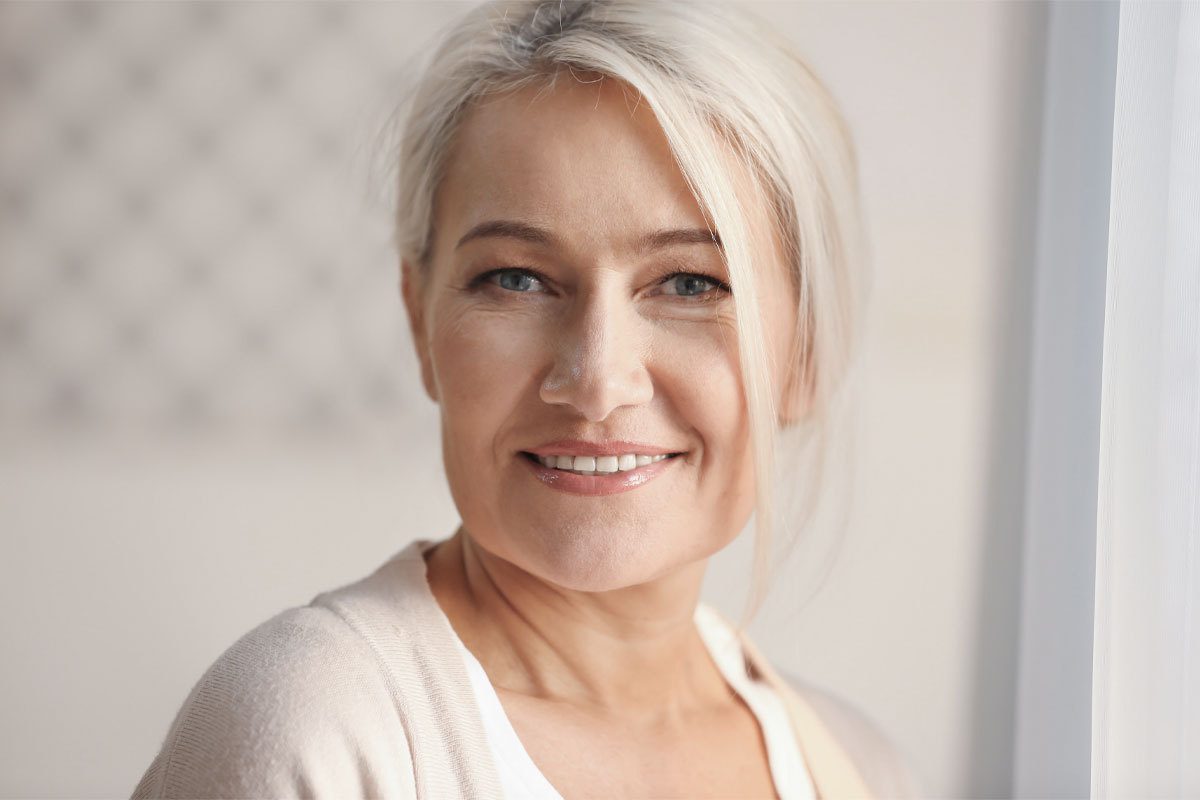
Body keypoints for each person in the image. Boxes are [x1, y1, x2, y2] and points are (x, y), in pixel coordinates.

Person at [133, 1, 920, 797]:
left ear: (807, 350)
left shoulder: (862, 769)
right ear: (419, 320)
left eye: (691, 283)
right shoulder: (318, 730)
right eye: (516, 279)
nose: (597, 380)